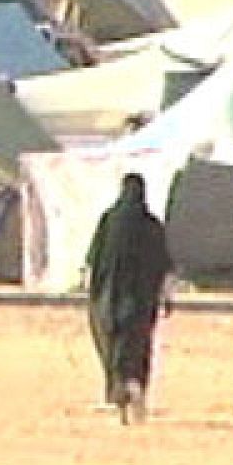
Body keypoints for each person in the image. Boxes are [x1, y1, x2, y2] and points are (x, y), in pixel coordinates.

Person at [85, 173, 173, 424]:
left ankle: (119, 396)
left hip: (109, 301)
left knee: (111, 346)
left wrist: (90, 292)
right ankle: (136, 387)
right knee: (138, 347)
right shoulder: (153, 226)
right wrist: (167, 298)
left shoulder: (109, 221)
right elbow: (164, 267)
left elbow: (93, 261)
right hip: (141, 304)